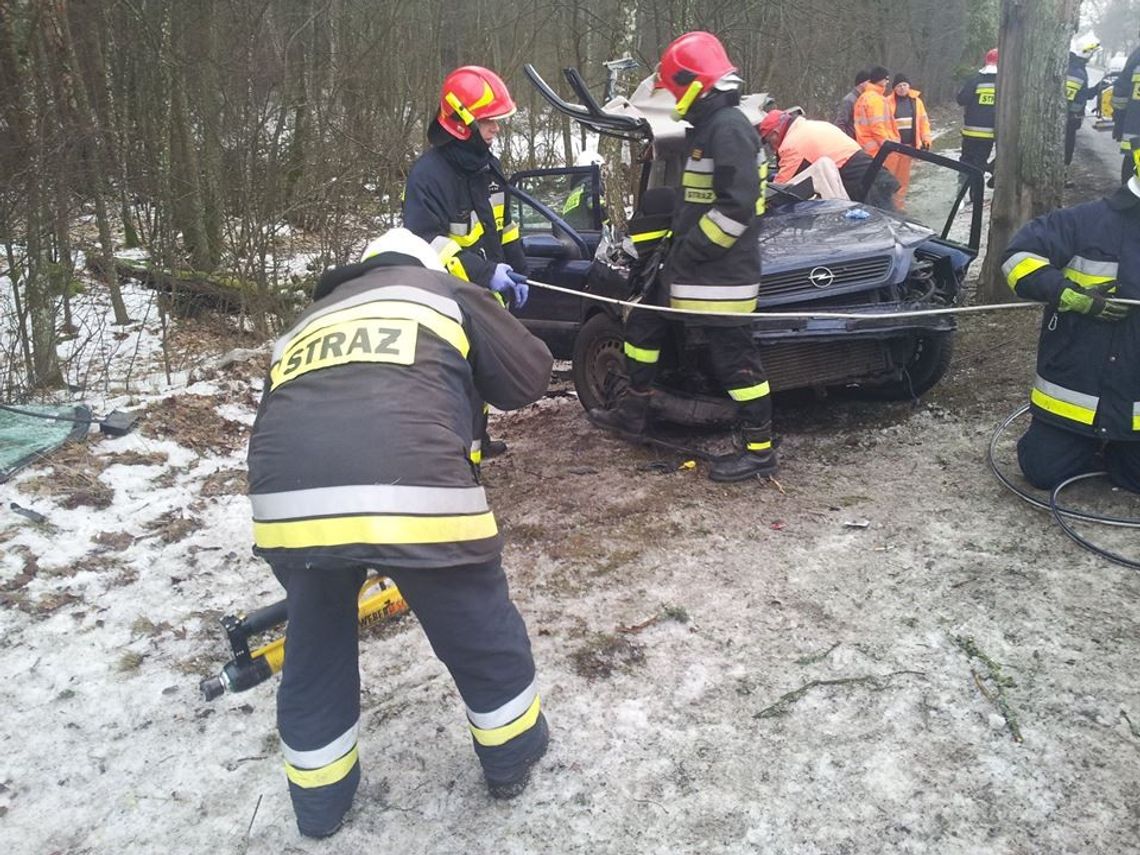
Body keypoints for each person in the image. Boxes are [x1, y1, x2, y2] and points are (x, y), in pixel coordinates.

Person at [246, 228, 554, 839]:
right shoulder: (441, 291)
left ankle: (319, 802)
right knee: (472, 617)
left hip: (285, 501)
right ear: (427, 264)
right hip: (411, 487)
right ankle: (513, 753)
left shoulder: (305, 322)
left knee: (315, 638)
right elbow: (529, 380)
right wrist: (488, 311)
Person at [590, 31, 776, 483]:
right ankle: (634, 411)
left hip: (721, 274)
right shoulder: (710, 128)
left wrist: (690, 252)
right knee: (644, 325)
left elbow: (737, 209)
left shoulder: (728, 129)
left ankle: (759, 451)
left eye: (675, 88)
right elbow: (695, 200)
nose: (672, 96)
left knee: (735, 360)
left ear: (696, 84)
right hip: (693, 267)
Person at [403, 65, 529, 462]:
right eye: (490, 122)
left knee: (485, 371)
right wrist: (485, 272)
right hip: (449, 299)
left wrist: (518, 266)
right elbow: (428, 244)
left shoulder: (485, 165)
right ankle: (465, 467)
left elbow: (503, 225)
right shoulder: (429, 177)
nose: (497, 129)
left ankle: (481, 439)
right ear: (463, 122)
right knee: (463, 384)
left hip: (485, 293)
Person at [999, 143, 1140, 495]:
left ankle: (1120, 451)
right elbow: (1017, 259)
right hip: (1077, 393)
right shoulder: (1085, 222)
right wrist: (1065, 293)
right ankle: (1084, 444)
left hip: (1135, 400)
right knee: (1043, 471)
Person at [758, 109, 897, 205]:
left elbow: (781, 188)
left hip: (865, 186)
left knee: (881, 236)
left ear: (775, 133)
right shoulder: (813, 125)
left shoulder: (792, 144)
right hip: (874, 173)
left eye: (768, 141)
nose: (770, 148)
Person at [957, 48, 998, 205]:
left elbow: (962, 99)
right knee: (980, 164)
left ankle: (959, 195)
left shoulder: (975, 79)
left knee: (965, 162)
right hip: (989, 134)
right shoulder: (1006, 81)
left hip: (970, 131)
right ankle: (976, 196)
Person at [885, 73, 932, 205]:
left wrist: (926, 140)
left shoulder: (916, 102)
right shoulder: (887, 102)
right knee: (888, 177)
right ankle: (887, 204)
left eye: (904, 85)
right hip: (892, 149)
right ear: (894, 88)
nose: (902, 88)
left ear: (909, 86)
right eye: (899, 85)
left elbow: (924, 123)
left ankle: (899, 206)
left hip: (908, 147)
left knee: (902, 180)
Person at [1064, 35, 1100, 172]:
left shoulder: (1077, 68)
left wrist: (1098, 88)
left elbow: (1082, 95)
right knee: (1066, 147)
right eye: (1092, 53)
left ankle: (1063, 173)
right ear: (1086, 52)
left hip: (1070, 120)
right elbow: (1069, 101)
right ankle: (1062, 175)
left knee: (1068, 147)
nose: (1092, 56)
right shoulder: (1076, 71)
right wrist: (1073, 115)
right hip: (1068, 121)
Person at [1112, 29, 1140, 183]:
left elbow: (1120, 92)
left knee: (1132, 183)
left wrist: (1119, 118)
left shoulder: (1136, 57)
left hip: (1135, 135)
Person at [834, 69, 870, 139]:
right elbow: (840, 123)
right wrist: (847, 141)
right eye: (869, 82)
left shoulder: (864, 99)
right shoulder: (849, 100)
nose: (871, 85)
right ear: (861, 83)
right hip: (852, 143)